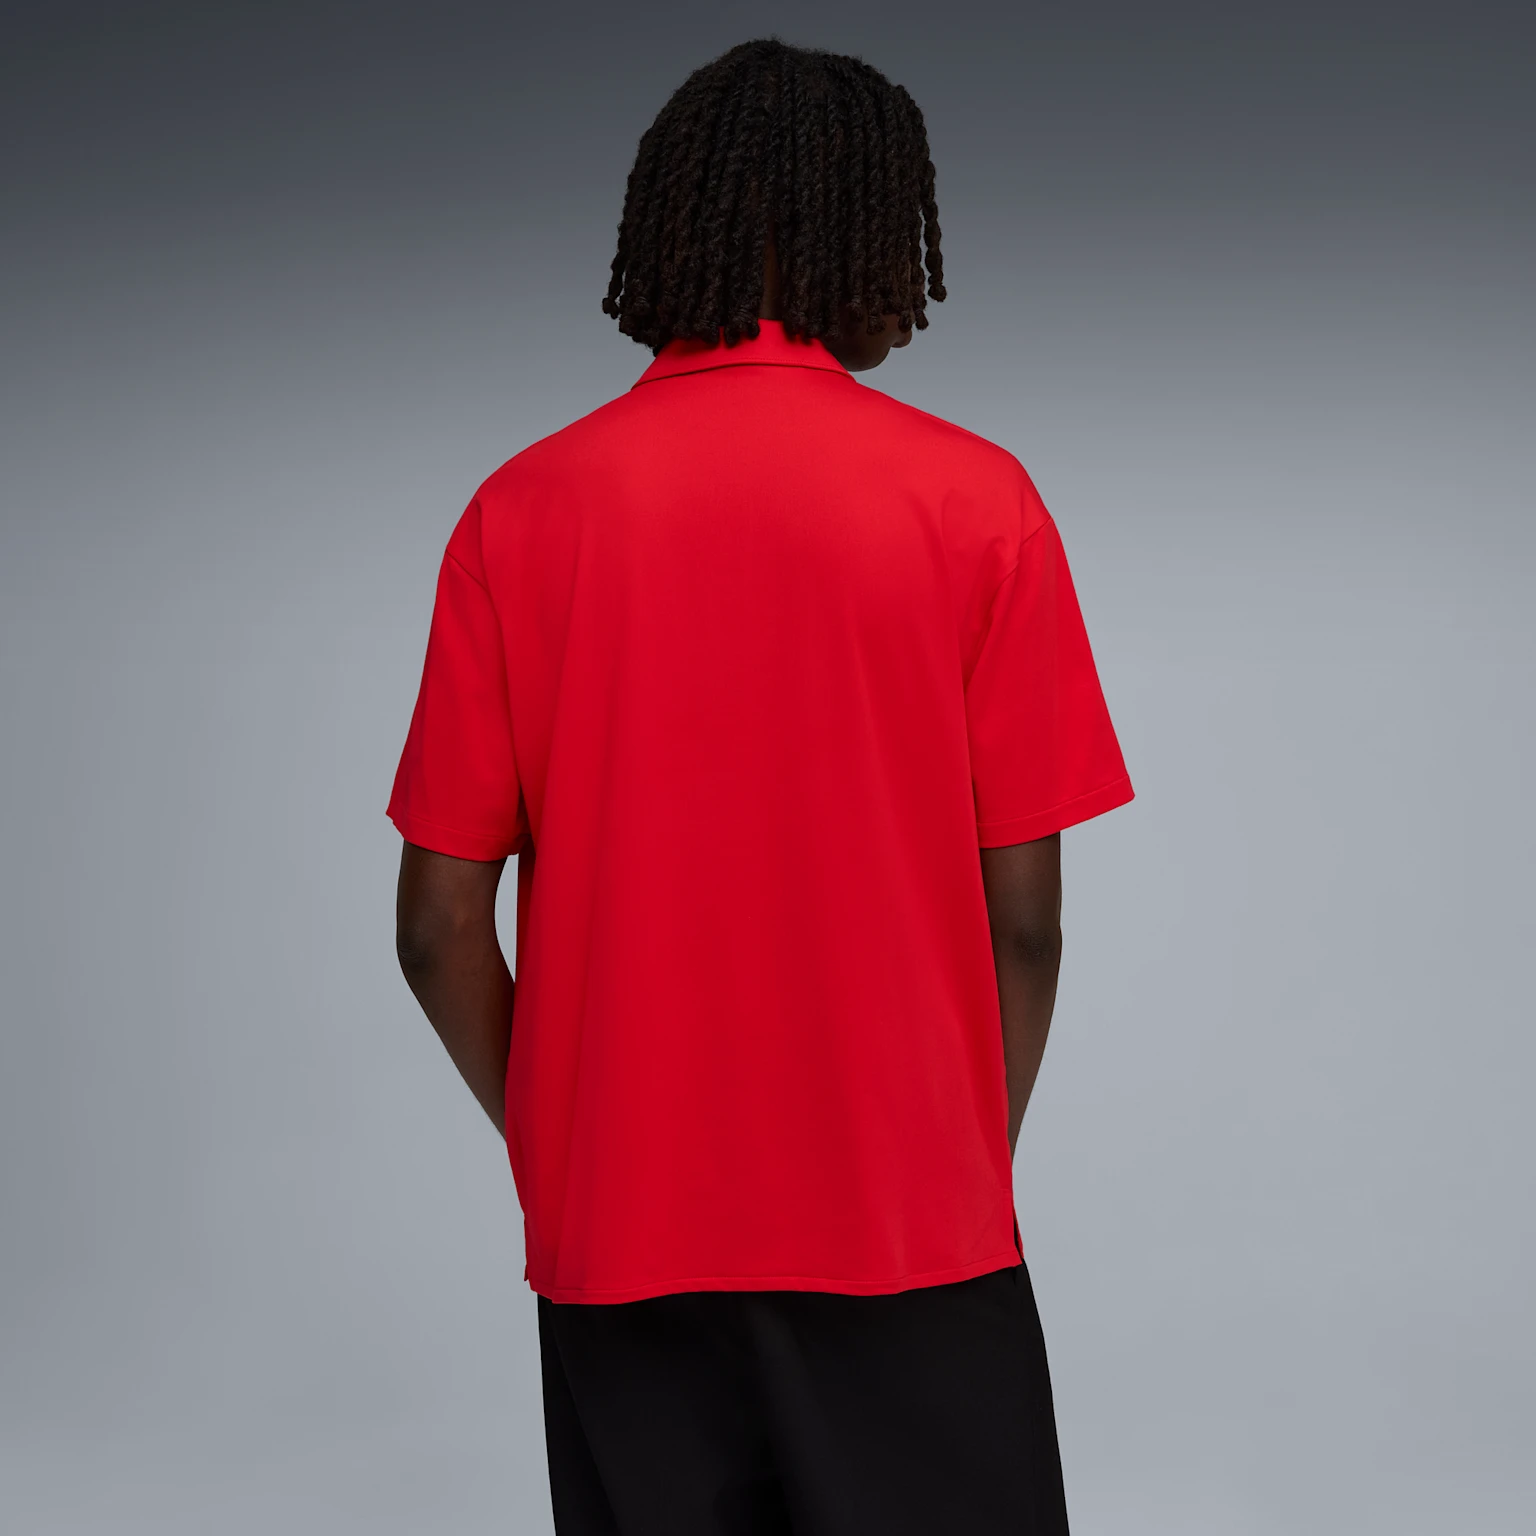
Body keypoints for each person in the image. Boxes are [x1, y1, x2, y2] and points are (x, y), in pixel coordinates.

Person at [388, 36, 1133, 1535]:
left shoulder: (520, 510)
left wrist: (574, 1147)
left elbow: (436, 927)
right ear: (860, 230)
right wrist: (956, 1158)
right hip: (908, 1221)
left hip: (620, 1236)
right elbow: (1027, 920)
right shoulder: (975, 502)